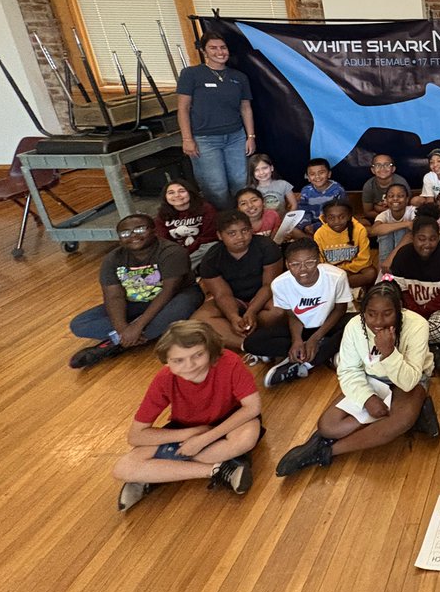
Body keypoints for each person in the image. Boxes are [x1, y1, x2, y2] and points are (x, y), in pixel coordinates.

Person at [275, 282, 439, 476]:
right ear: (363, 312)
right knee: (328, 426)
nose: (378, 321)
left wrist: (389, 352)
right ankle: (415, 414)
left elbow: (409, 380)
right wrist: (367, 398)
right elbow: (348, 371)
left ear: (399, 310)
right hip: (372, 377)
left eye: (387, 313)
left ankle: (326, 451)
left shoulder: (417, 324)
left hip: (409, 382)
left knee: (398, 422)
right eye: (371, 314)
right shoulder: (354, 326)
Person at [112, 320, 260, 511]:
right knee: (122, 468)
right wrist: (192, 434)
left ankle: (157, 473)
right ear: (167, 361)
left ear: (210, 351)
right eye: (178, 360)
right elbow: (136, 435)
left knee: (245, 440)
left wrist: (203, 438)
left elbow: (252, 408)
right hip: (186, 429)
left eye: (198, 355)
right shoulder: (164, 380)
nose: (189, 366)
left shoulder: (229, 362)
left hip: (231, 418)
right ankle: (219, 470)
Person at [69, 213, 203, 369]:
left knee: (171, 316)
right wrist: (123, 329)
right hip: (137, 301)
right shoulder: (112, 259)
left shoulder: (171, 252)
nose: (133, 235)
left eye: (140, 229)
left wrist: (137, 327)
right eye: (125, 233)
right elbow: (114, 296)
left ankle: (112, 344)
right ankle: (127, 338)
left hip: (175, 298)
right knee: (79, 324)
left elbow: (168, 291)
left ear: (154, 230)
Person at [244, 238, 350, 387]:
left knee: (357, 324)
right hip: (301, 328)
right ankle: (322, 353)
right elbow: (292, 315)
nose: (303, 269)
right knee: (251, 343)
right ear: (287, 264)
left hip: (329, 325)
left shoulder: (337, 276)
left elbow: (340, 310)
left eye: (310, 262)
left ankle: (305, 363)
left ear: (319, 260)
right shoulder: (280, 284)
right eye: (295, 264)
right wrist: (297, 340)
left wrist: (315, 338)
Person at [176, 31, 255, 209]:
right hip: (205, 139)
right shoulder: (191, 74)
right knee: (215, 186)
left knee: (240, 182)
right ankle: (223, 222)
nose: (219, 52)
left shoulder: (239, 77)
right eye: (213, 48)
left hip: (235, 137)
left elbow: (246, 108)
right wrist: (187, 139)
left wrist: (250, 136)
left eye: (223, 47)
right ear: (204, 51)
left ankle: (242, 220)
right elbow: (183, 108)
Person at [193, 210, 284, 350]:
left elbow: (269, 285)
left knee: (278, 311)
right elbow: (222, 294)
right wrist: (233, 316)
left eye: (245, 230)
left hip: (264, 297)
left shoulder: (267, 246)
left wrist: (252, 311)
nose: (240, 237)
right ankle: (249, 346)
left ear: (251, 230)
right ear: (220, 235)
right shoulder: (211, 258)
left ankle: (254, 333)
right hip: (233, 300)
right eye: (232, 233)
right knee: (198, 321)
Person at [385, 215, 440, 371]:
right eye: (421, 238)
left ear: (439, 237)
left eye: (432, 239)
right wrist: (416, 311)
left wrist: (425, 309)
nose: (427, 244)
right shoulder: (402, 256)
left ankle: (416, 348)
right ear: (413, 237)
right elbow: (401, 290)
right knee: (392, 325)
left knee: (435, 329)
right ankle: (429, 349)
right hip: (411, 307)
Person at [314, 198, 378, 289]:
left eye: (341, 217)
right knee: (319, 277)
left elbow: (364, 260)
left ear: (348, 216)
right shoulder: (319, 234)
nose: (337, 221)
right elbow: (320, 262)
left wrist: (346, 270)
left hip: (354, 270)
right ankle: (350, 289)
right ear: (325, 218)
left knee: (371, 273)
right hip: (332, 272)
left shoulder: (359, 230)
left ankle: (339, 288)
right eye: (331, 218)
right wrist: (339, 272)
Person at [154, 179, 217, 265]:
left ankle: (181, 269)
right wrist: (177, 252)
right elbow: (164, 240)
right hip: (175, 252)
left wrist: (187, 250)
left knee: (212, 247)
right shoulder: (161, 215)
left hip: (200, 249)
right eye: (171, 193)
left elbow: (209, 236)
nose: (177, 195)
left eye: (182, 191)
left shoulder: (206, 208)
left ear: (190, 193)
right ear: (165, 197)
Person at [294, 158, 347, 234]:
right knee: (294, 230)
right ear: (308, 177)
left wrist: (317, 226)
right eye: (312, 174)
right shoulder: (306, 191)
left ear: (329, 174)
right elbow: (303, 211)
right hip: (311, 226)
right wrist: (306, 226)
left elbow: (340, 214)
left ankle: (318, 242)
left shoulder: (337, 190)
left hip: (330, 225)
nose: (317, 176)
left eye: (321, 173)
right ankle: (313, 242)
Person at [368, 182, 415, 263]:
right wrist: (406, 224)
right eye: (391, 196)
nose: (395, 199)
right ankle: (385, 267)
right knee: (384, 232)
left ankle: (397, 262)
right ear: (386, 200)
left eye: (400, 196)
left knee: (402, 231)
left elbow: (416, 226)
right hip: (387, 251)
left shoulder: (413, 210)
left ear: (407, 199)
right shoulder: (384, 215)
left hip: (409, 252)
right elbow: (373, 231)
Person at [360, 153, 411, 222]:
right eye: (378, 165)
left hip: (400, 218)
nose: (382, 168)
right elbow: (368, 212)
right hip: (378, 217)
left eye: (387, 165)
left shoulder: (401, 183)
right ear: (372, 170)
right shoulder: (369, 185)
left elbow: (404, 209)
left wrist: (378, 208)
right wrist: (384, 216)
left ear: (393, 169)